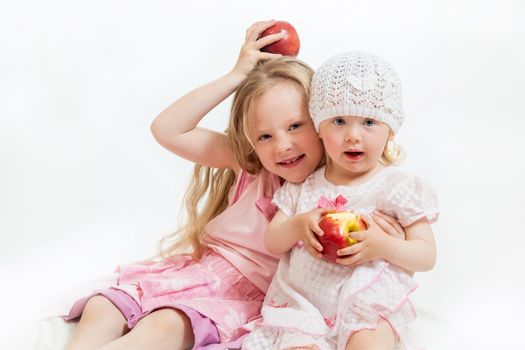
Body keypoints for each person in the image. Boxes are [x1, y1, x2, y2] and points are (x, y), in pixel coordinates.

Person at [63, 21, 406, 349]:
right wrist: (236, 76)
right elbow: (167, 129)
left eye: (296, 126)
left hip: (246, 296)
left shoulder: (344, 190)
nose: (282, 145)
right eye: (265, 135)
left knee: (166, 324)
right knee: (104, 306)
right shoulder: (254, 164)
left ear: (322, 122)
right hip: (200, 272)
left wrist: (387, 239)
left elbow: (384, 247)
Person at [242, 52, 439, 350]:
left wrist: (382, 246)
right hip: (305, 307)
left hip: (367, 303)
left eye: (369, 122)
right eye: (338, 121)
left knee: (369, 342)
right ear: (318, 127)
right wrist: (297, 226)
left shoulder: (396, 187)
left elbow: (426, 256)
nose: (353, 136)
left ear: (390, 130)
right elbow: (273, 242)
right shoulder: (303, 187)